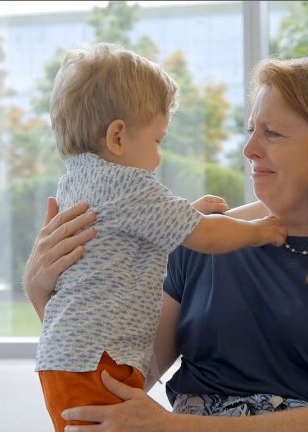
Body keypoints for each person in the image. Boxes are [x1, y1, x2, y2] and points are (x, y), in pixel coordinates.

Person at [24, 56, 308, 432]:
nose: (249, 149)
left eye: (272, 133)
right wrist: (41, 293)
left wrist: (176, 428)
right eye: (250, 130)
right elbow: (124, 370)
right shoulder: (200, 244)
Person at [36, 43, 287, 432]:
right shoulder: (130, 185)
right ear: (117, 136)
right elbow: (205, 236)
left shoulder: (79, 178)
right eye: (157, 141)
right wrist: (258, 230)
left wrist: (187, 212)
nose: (158, 157)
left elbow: (139, 224)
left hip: (63, 355)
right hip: (100, 359)